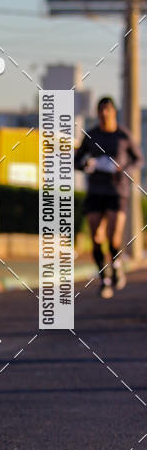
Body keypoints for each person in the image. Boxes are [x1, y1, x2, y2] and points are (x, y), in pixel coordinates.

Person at [74, 96, 142, 298]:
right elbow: (77, 160)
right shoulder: (92, 135)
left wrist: (124, 169)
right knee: (96, 237)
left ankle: (117, 265)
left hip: (117, 191)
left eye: (108, 110)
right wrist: (87, 165)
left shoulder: (123, 135)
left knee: (114, 238)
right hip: (95, 190)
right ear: (97, 112)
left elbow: (138, 160)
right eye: (101, 110)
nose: (104, 113)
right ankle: (104, 278)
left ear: (114, 112)